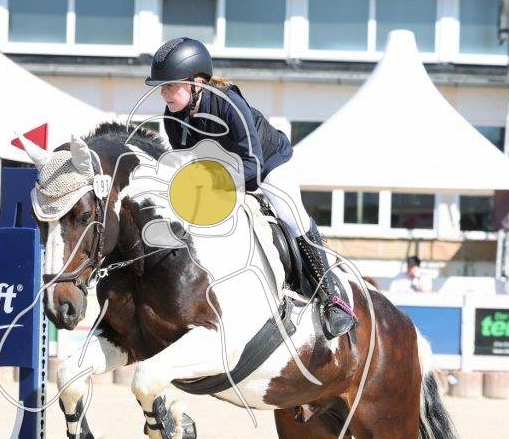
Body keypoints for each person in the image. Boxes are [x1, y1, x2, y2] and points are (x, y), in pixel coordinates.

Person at [147, 36, 355, 339]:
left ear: (197, 83)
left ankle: (331, 298)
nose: (164, 92)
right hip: (222, 175)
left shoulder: (228, 104)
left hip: (267, 165)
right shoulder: (173, 118)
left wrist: (214, 185)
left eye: (170, 86)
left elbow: (252, 163)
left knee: (291, 216)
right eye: (162, 87)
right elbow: (187, 164)